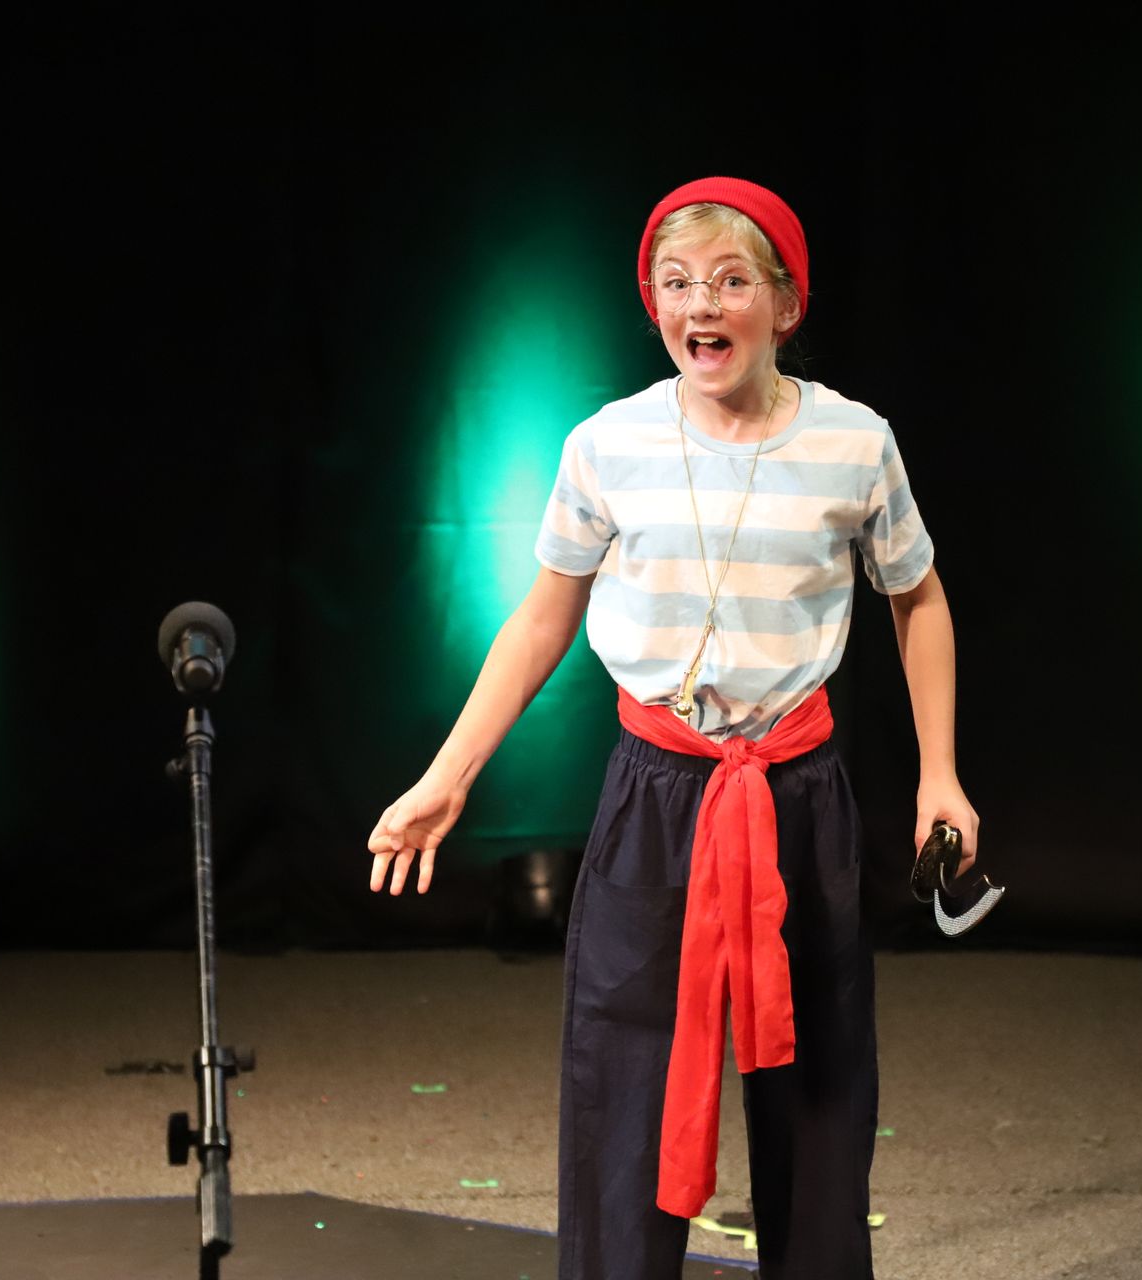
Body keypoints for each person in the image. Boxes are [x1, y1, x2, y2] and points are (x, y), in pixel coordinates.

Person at [367, 176, 978, 1280]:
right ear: (655, 307)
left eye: (733, 281)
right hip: (660, 788)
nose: (704, 303)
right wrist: (448, 775)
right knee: (625, 1075)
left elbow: (917, 595)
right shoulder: (610, 444)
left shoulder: (853, 441)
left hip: (797, 787)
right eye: (678, 282)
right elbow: (542, 615)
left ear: (784, 305)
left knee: (821, 1075)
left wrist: (942, 772)